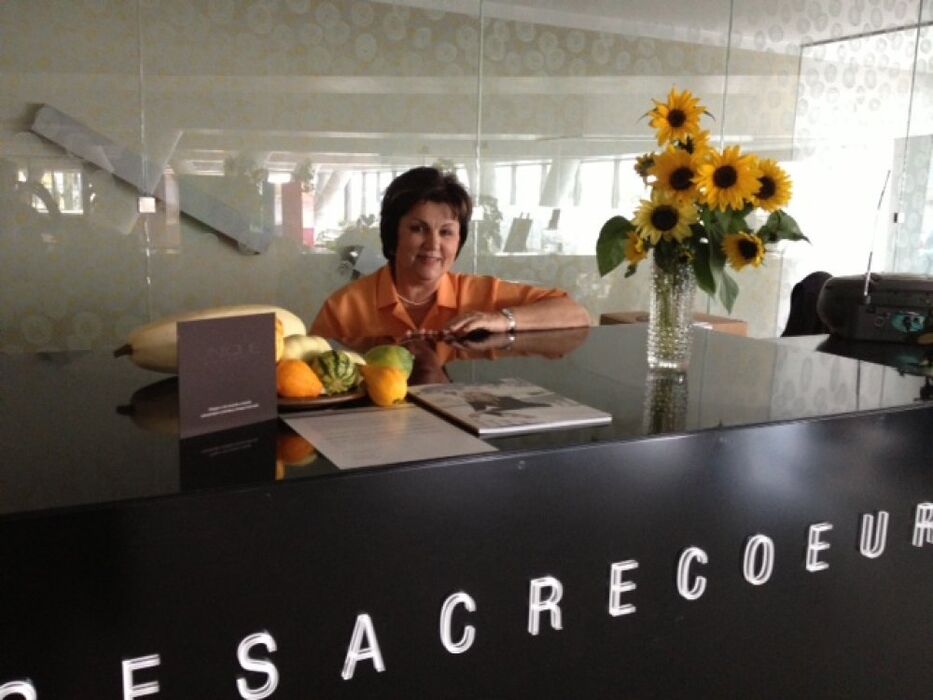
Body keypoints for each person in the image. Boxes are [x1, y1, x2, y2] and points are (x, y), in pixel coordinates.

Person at [310, 166, 591, 340]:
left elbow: (575, 314)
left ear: (459, 241)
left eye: (446, 232)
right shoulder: (344, 307)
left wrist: (502, 320)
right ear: (392, 234)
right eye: (418, 229)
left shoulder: (482, 295)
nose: (433, 244)